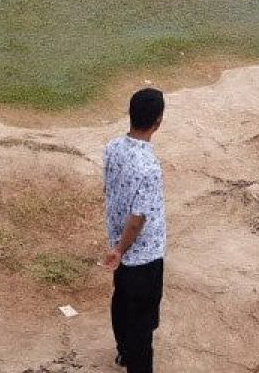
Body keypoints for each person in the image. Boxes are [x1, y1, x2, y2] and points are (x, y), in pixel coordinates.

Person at [102, 88, 167, 373]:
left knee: (121, 301)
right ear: (158, 121)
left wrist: (117, 247)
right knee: (142, 320)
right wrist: (121, 249)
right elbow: (138, 218)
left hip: (120, 245)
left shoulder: (112, 148)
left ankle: (123, 353)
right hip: (143, 255)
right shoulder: (149, 166)